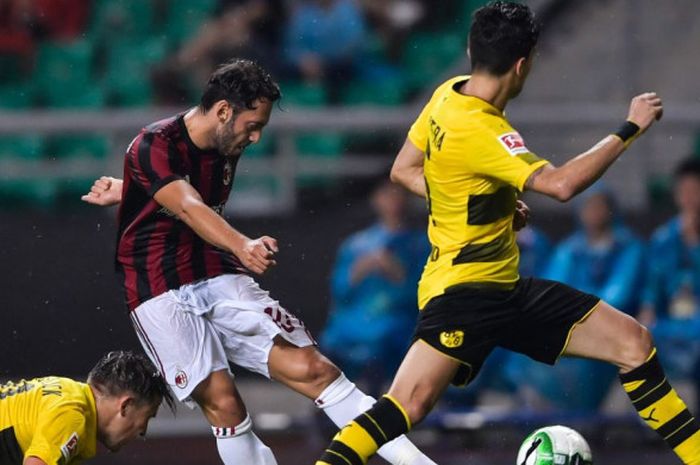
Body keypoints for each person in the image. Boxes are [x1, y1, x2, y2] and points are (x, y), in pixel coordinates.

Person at [314, 3, 700, 465]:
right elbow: (561, 185)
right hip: (462, 294)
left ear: (472, 50)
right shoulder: (485, 129)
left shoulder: (447, 95)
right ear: (523, 65)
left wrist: (484, 204)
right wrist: (630, 127)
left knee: (633, 344)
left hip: (504, 289)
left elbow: (405, 169)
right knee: (405, 406)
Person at [81, 59, 438, 465]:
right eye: (253, 125)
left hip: (213, 271)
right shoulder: (153, 144)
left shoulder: (221, 143)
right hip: (156, 288)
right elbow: (187, 204)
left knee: (315, 370)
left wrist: (131, 190)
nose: (255, 137)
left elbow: (175, 190)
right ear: (222, 111)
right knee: (224, 403)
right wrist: (242, 244)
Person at [506, 186, 646, 411]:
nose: (593, 212)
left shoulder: (629, 247)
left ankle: (593, 420)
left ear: (610, 210)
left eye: (599, 206)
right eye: (588, 206)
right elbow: (552, 291)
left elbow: (618, 296)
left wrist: (575, 312)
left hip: (611, 329)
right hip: (571, 325)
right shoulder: (569, 249)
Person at [320, 179, 430, 394]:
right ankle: (329, 408)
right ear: (375, 200)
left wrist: (397, 273)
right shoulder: (357, 244)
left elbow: (421, 292)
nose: (393, 202)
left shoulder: (420, 244)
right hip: (355, 321)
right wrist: (358, 271)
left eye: (398, 195)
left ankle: (375, 405)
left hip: (397, 322)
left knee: (382, 342)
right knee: (331, 341)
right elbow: (339, 290)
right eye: (387, 195)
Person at [0, 350, 174, 465]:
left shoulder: (68, 392)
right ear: (126, 406)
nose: (143, 431)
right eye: (148, 416)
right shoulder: (72, 416)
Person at [641, 158, 700, 404]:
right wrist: (646, 317)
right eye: (684, 191)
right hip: (672, 324)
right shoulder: (663, 239)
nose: (689, 198)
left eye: (695, 191)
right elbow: (650, 293)